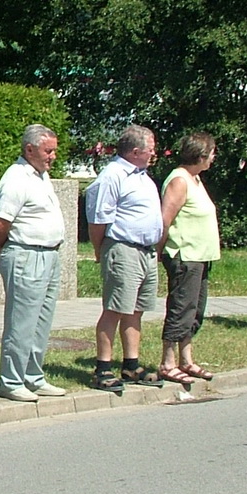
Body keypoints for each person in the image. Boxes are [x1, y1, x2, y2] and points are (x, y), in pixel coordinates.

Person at [0, 124, 69, 402]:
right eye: (48, 150)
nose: (53, 156)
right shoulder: (16, 178)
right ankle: (11, 381)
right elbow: (0, 222)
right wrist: (6, 248)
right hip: (26, 255)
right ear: (30, 149)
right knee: (21, 322)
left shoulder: (40, 176)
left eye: (54, 150)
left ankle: (33, 376)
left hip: (49, 255)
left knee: (41, 321)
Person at [85, 124, 164, 390]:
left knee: (136, 310)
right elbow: (98, 220)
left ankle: (131, 365)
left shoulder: (142, 176)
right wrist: (101, 250)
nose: (154, 154)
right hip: (123, 248)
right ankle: (103, 369)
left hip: (145, 251)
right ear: (135, 151)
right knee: (116, 308)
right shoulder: (113, 175)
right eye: (150, 150)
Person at [157, 132, 220, 384]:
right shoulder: (179, 180)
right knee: (181, 308)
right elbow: (165, 218)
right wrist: (158, 252)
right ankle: (167, 362)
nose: (214, 158)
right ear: (201, 155)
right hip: (184, 255)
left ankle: (187, 359)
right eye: (212, 153)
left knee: (195, 310)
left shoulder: (195, 179)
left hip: (201, 257)